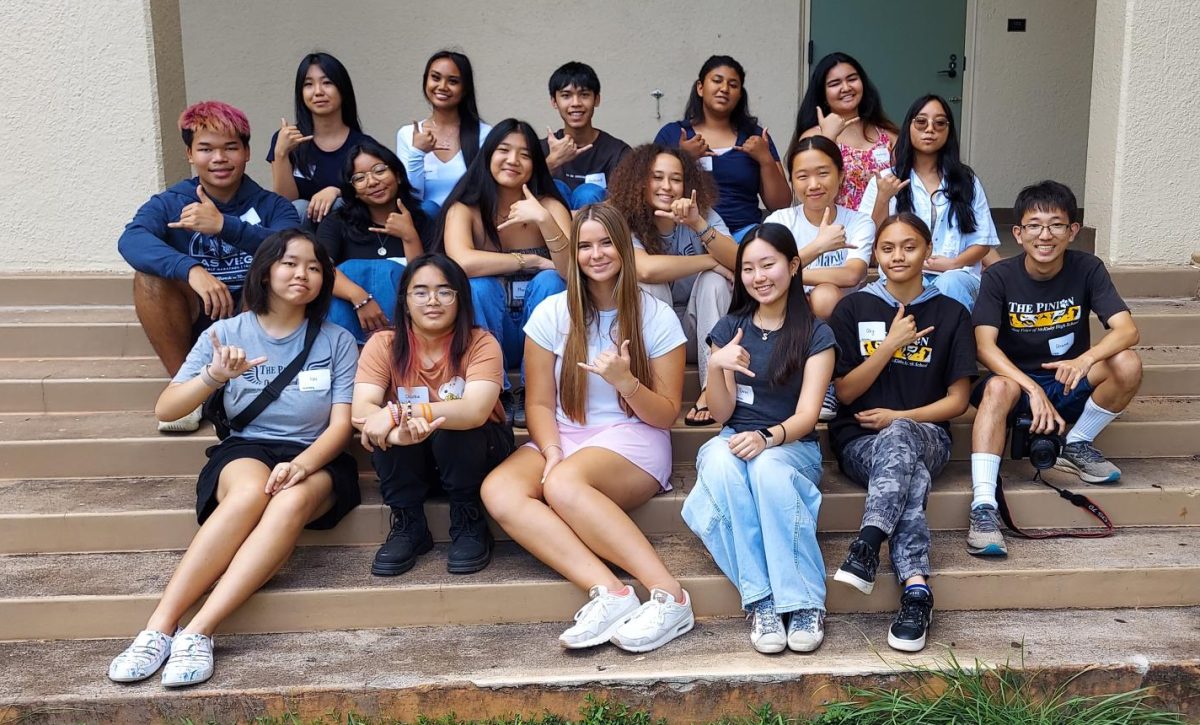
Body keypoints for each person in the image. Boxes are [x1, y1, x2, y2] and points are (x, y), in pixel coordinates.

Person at [106, 230, 359, 687]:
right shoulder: (224, 333)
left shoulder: (337, 340)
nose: (302, 273)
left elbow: (341, 426)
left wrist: (302, 465)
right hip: (248, 447)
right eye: (289, 263)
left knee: (288, 500)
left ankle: (199, 631)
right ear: (265, 270)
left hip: (314, 455)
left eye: (315, 267)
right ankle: (158, 628)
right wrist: (212, 376)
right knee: (247, 495)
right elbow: (166, 408)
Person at [481, 204, 694, 653]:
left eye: (606, 243)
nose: (596, 254)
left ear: (623, 248)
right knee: (498, 491)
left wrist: (627, 383)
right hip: (565, 433)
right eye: (584, 245)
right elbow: (538, 402)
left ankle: (672, 596)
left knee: (562, 484)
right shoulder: (552, 313)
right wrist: (552, 447)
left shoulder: (657, 316)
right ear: (573, 253)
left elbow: (664, 413)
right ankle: (611, 592)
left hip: (634, 435)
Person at [681, 222, 836, 654]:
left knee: (765, 466)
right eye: (748, 268)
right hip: (736, 436)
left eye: (768, 265)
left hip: (791, 447)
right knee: (717, 460)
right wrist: (716, 366)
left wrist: (768, 439)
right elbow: (723, 413)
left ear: (793, 265)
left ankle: (804, 601)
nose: (758, 277)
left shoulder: (816, 333)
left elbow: (808, 416)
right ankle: (763, 599)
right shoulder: (730, 327)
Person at [967, 181, 1143, 557]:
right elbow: (984, 346)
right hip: (1015, 385)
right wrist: (1030, 388)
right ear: (1018, 233)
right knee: (998, 388)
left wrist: (1085, 359)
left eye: (1056, 225)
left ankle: (1076, 442)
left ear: (1072, 231)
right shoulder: (999, 277)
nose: (1044, 235)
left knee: (1126, 363)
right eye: (1034, 225)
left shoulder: (1087, 268)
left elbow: (1127, 330)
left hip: (1068, 379)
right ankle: (983, 506)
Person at [827, 213, 976, 652]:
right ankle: (916, 589)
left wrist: (899, 416)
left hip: (928, 436)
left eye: (909, 246)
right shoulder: (853, 308)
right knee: (913, 476)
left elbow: (958, 401)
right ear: (875, 253)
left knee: (902, 435)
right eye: (887, 247)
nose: (898, 256)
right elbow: (845, 390)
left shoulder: (951, 313)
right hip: (857, 442)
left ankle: (868, 544)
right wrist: (890, 345)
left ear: (928, 251)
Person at [118, 101, 301, 432]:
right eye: (206, 149)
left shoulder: (272, 205)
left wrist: (223, 226)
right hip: (195, 313)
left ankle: (246, 386)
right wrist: (191, 270)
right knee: (148, 279)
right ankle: (187, 390)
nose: (219, 158)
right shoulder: (171, 202)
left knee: (274, 275)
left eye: (231, 147)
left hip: (253, 315)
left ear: (246, 152)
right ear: (190, 154)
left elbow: (293, 248)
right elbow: (131, 241)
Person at [352, 254, 512, 576]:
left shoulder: (481, 343)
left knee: (452, 426)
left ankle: (468, 519)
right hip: (415, 461)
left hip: (477, 455)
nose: (433, 301)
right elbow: (362, 410)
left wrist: (398, 412)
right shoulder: (384, 344)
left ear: (460, 298)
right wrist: (398, 431)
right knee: (385, 429)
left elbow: (474, 411)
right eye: (421, 291)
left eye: (445, 291)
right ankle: (409, 524)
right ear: (405, 300)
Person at [436, 119, 572, 427]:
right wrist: (530, 261)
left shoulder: (549, 205)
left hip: (541, 338)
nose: (513, 160)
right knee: (478, 286)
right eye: (504, 150)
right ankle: (494, 389)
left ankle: (534, 389)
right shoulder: (464, 208)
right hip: (486, 327)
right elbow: (462, 263)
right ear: (487, 156)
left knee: (552, 280)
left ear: (535, 164)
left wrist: (544, 220)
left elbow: (570, 270)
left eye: (524, 154)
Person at [607, 144, 738, 426]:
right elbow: (646, 269)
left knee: (716, 281)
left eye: (676, 179)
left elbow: (739, 262)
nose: (667, 186)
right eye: (657, 177)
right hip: (654, 337)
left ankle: (711, 388)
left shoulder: (702, 215)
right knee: (647, 287)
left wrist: (698, 224)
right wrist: (709, 260)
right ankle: (657, 387)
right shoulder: (624, 219)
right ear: (640, 181)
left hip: (699, 330)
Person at [765, 135, 875, 421]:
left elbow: (853, 274)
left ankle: (826, 381)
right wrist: (820, 246)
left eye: (823, 173)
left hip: (843, 320)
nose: (813, 184)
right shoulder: (780, 222)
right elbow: (764, 276)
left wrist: (792, 274)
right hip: (789, 316)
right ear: (792, 181)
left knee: (825, 295)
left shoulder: (859, 221)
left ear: (840, 175)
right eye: (802, 176)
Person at [859, 95, 999, 310]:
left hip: (958, 274)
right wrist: (883, 198)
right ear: (909, 128)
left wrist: (953, 263)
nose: (930, 129)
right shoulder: (886, 179)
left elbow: (982, 240)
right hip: (900, 275)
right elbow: (870, 242)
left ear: (948, 131)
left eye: (940, 123)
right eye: (921, 122)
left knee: (949, 284)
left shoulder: (966, 181)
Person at [654, 55, 791, 241]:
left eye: (733, 85)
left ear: (740, 94)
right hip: (687, 235)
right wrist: (683, 157)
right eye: (717, 81)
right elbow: (650, 189)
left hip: (745, 235)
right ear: (700, 88)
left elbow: (780, 204)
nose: (724, 89)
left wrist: (765, 159)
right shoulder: (672, 134)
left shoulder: (756, 137)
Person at [316, 139, 429, 344]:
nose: (372, 181)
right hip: (350, 325)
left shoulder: (423, 220)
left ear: (398, 175)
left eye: (379, 170)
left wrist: (409, 236)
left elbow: (426, 282)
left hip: (409, 327)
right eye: (359, 178)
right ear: (353, 190)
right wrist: (360, 298)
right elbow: (319, 270)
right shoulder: (337, 223)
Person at [268, 52, 374, 228]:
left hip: (347, 236)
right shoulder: (288, 139)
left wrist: (338, 191)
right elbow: (286, 204)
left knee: (340, 205)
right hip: (302, 235)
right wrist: (281, 153)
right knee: (299, 208)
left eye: (327, 83)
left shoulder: (363, 145)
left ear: (342, 89)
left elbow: (374, 197)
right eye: (308, 85)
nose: (318, 92)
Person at [789, 52, 898, 210]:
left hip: (885, 230)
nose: (846, 88)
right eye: (834, 84)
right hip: (836, 228)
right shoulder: (813, 136)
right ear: (823, 94)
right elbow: (811, 186)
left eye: (852, 79)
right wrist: (828, 138)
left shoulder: (888, 135)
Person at [396, 50, 491, 219]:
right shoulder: (407, 134)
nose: (442, 87)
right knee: (428, 208)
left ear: (465, 89)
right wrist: (417, 152)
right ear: (426, 80)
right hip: (425, 227)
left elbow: (488, 192)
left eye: (453, 81)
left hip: (469, 225)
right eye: (435, 78)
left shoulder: (484, 134)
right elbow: (412, 197)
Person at [540, 61, 631, 209]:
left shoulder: (617, 152)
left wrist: (576, 218)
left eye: (584, 95)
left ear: (596, 99)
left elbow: (628, 201)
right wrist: (552, 161)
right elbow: (520, 192)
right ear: (554, 102)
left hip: (599, 228)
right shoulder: (541, 149)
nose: (576, 103)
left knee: (588, 193)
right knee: (557, 189)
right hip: (552, 230)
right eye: (566, 95)